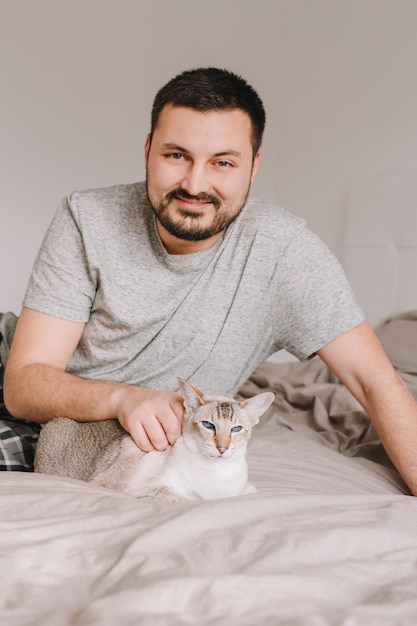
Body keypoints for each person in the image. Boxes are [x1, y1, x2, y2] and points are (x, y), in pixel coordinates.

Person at [3, 67, 417, 495]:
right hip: (32, 386)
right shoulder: (87, 219)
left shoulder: (286, 254)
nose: (195, 184)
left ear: (253, 167)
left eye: (222, 162)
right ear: (147, 151)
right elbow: (24, 383)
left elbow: (375, 382)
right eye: (176, 155)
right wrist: (123, 399)